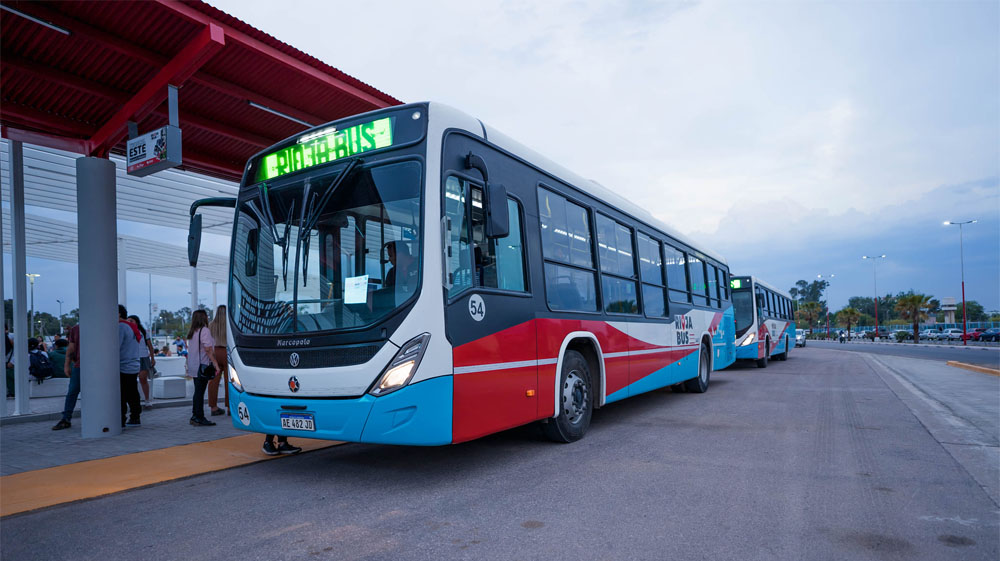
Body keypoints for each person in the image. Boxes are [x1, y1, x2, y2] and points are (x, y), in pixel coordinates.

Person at [187, 309, 221, 426]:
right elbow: (208, 349)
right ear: (204, 318)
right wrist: (215, 364)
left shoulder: (193, 332)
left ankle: (195, 416)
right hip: (202, 366)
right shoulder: (204, 330)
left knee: (197, 391)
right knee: (200, 392)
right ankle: (199, 417)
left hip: (194, 365)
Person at [118, 305, 145, 427]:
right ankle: (135, 416)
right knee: (132, 393)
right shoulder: (132, 327)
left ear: (118, 313)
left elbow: (116, 346)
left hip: (124, 365)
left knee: (123, 395)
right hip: (133, 364)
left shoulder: (121, 327)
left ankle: (121, 419)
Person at [52, 324, 80, 430]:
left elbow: (71, 348)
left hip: (81, 366)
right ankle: (66, 418)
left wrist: (67, 365)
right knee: (72, 392)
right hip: (79, 365)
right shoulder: (76, 329)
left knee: (72, 392)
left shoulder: (76, 328)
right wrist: (67, 365)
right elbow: (71, 348)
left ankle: (66, 418)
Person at [128, 315, 157, 408]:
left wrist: (152, 358)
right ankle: (133, 401)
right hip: (131, 358)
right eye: (128, 321)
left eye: (131, 321)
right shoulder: (127, 331)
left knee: (143, 379)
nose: (129, 322)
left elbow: (150, 346)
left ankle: (147, 400)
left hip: (143, 357)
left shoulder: (143, 332)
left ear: (136, 322)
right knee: (131, 381)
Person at [207, 305, 228, 416]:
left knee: (213, 381)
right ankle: (230, 407)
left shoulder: (211, 325)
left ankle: (213, 407)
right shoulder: (229, 325)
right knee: (229, 381)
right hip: (227, 352)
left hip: (215, 353)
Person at [5, 324, 14, 398]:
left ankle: (12, 391)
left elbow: (16, 348)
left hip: (10, 361)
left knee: (9, 376)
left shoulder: (11, 336)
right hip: (7, 360)